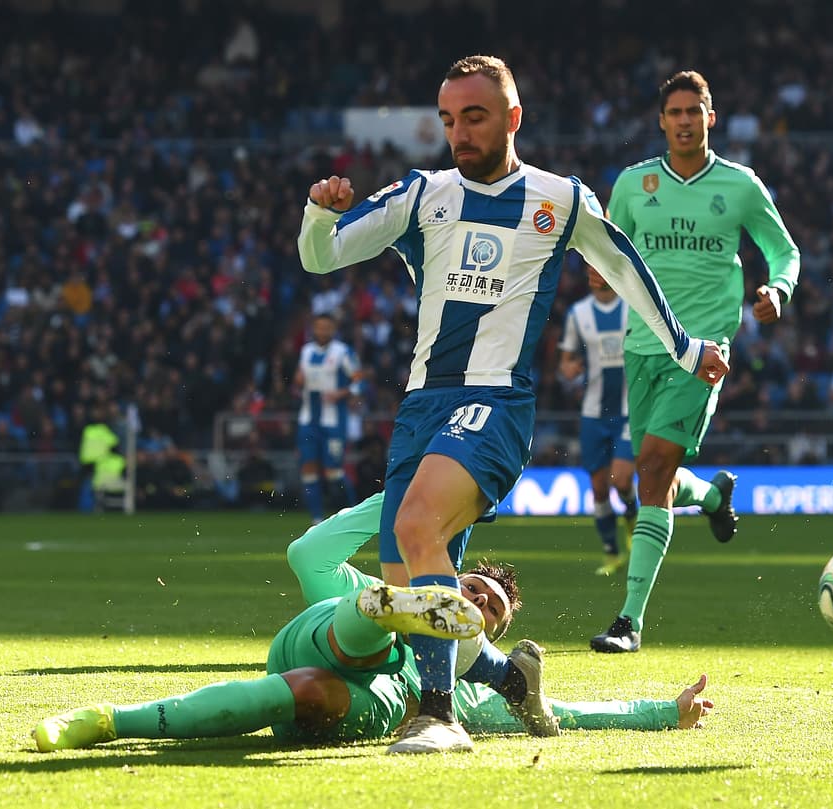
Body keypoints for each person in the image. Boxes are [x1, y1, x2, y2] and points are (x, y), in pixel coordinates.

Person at [298, 54, 728, 753]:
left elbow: (623, 266)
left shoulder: (559, 199)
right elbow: (324, 256)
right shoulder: (421, 194)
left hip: (497, 403)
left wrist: (687, 349)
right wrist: (320, 213)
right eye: (447, 120)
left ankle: (438, 716)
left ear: (512, 118)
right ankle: (510, 679)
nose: (459, 133)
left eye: (475, 117)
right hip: (421, 409)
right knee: (414, 597)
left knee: (413, 525)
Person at [31, 494, 713, 752]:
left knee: (299, 692)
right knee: (374, 614)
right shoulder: (369, 573)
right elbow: (307, 553)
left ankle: (105, 722)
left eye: (486, 611)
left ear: (490, 641)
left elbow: (570, 710)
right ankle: (396, 607)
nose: (477, 599)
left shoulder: (482, 691)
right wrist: (410, 498)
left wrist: (663, 710)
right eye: (471, 589)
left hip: (344, 693)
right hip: (332, 628)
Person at [590, 70, 800, 654]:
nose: (684, 120)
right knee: (646, 475)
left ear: (711, 116)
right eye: (674, 111)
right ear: (661, 121)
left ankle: (629, 621)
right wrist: (599, 275)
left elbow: (784, 250)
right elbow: (611, 255)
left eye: (695, 110)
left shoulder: (739, 186)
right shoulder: (634, 185)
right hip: (641, 348)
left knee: (650, 473)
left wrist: (777, 289)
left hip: (702, 351)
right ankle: (709, 496)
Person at [558, 266, 639, 575]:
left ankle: (632, 515)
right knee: (599, 489)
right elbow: (566, 359)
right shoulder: (578, 314)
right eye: (589, 270)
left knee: (621, 480)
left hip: (628, 412)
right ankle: (611, 553)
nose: (594, 274)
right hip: (593, 413)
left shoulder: (631, 306)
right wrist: (568, 368)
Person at [294, 312, 363, 524]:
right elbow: (299, 379)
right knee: (309, 468)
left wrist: (342, 393)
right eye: (319, 327)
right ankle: (316, 519)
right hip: (308, 420)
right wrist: (297, 380)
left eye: (327, 327)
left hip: (333, 422)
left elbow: (359, 381)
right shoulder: (305, 352)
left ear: (333, 329)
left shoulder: (343, 352)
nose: (322, 331)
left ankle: (352, 514)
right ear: (313, 329)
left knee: (334, 471)